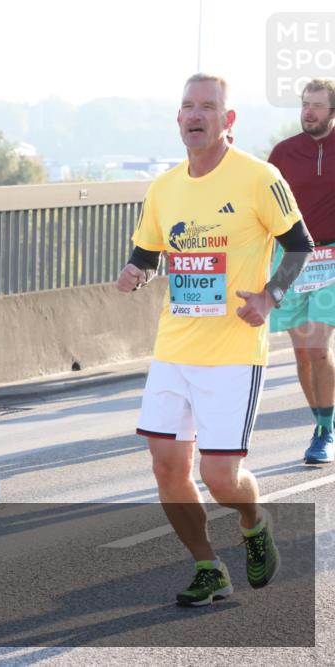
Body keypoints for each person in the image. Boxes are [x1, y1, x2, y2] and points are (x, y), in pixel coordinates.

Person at [117, 74, 314, 606]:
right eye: (188, 106)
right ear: (178, 118)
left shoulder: (259, 177)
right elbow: (148, 253)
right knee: (166, 467)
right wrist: (136, 273)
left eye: (208, 106)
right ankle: (208, 566)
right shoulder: (164, 187)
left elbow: (299, 245)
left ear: (228, 120)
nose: (195, 114)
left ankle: (252, 520)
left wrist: (270, 296)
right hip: (174, 348)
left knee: (221, 477)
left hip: (232, 353)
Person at [267, 78, 335, 464]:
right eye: (305, 104)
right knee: (304, 356)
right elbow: (262, 206)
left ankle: (324, 433)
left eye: (317, 105)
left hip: (332, 257)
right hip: (292, 259)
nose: (308, 111)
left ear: (333, 111)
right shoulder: (283, 153)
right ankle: (322, 419)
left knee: (318, 347)